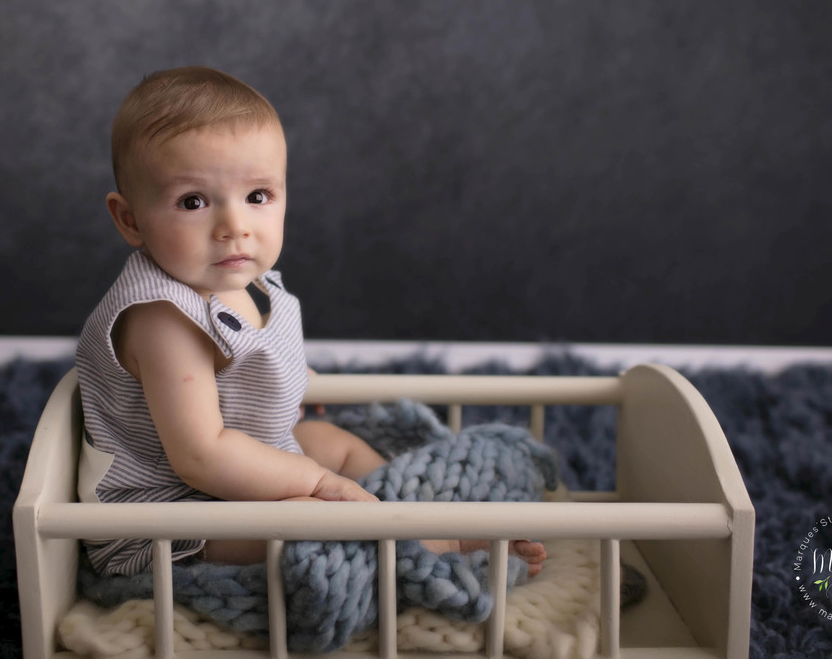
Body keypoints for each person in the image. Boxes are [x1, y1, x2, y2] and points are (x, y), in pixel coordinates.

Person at [76, 66, 545, 577]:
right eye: (193, 202)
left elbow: (243, 368)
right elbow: (201, 455)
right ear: (130, 219)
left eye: (258, 196)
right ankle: (438, 543)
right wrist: (316, 485)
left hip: (238, 466)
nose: (235, 228)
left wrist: (295, 382)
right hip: (172, 517)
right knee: (315, 520)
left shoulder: (238, 283)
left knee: (330, 443)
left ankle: (400, 502)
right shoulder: (163, 320)